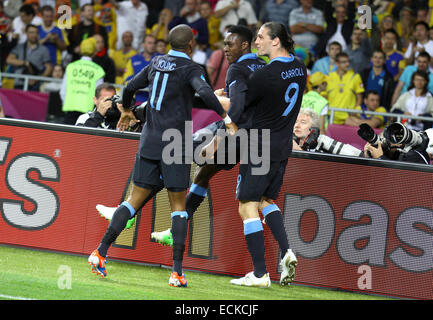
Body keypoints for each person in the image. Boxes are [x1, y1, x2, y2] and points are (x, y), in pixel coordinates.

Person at [87, 24, 237, 288]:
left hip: (149, 140)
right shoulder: (191, 68)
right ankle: (176, 272)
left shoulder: (156, 62)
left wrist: (126, 111)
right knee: (178, 207)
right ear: (190, 46)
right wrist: (226, 118)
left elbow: (130, 86)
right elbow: (202, 92)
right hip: (174, 143)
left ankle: (100, 253)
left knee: (133, 201)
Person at [229, 22, 306, 288]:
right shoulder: (299, 66)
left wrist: (222, 98)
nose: (256, 41)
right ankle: (287, 252)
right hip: (283, 145)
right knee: (266, 199)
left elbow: (239, 109)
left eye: (261, 37)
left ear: (276, 41)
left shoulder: (263, 75)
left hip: (260, 144)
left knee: (246, 205)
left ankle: (260, 273)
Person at [60, 37, 105, 125]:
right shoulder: (98, 70)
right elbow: (100, 95)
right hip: (88, 113)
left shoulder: (71, 67)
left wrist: (65, 103)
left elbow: (63, 91)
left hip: (70, 110)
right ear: (95, 51)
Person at [293, 107, 363, 156]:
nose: (297, 125)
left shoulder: (322, 140)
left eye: (303, 122)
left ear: (313, 128)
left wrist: (298, 150)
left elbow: (356, 154)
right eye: (295, 122)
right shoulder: (288, 141)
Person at [75, 82, 144, 131]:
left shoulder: (121, 119)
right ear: (95, 100)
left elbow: (139, 142)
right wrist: (98, 115)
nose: (110, 103)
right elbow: (79, 138)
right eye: (105, 100)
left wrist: (132, 124)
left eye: (112, 99)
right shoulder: (85, 117)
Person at [6, 23, 52, 91]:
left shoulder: (43, 49)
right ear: (26, 33)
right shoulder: (19, 47)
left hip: (35, 85)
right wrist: (25, 63)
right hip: (19, 83)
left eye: (36, 33)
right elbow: (9, 60)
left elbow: (49, 67)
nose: (34, 35)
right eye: (31, 32)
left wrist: (38, 79)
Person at [326, 52, 364, 125]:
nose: (347, 64)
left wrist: (355, 111)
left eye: (348, 61)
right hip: (331, 116)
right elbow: (324, 96)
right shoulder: (328, 77)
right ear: (337, 63)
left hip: (348, 118)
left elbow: (359, 97)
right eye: (344, 62)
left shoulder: (355, 77)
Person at [122, 34, 160, 103]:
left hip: (156, 101)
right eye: (149, 43)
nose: (152, 45)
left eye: (154, 43)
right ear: (143, 44)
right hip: (138, 100)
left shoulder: (161, 58)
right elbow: (126, 80)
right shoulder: (133, 59)